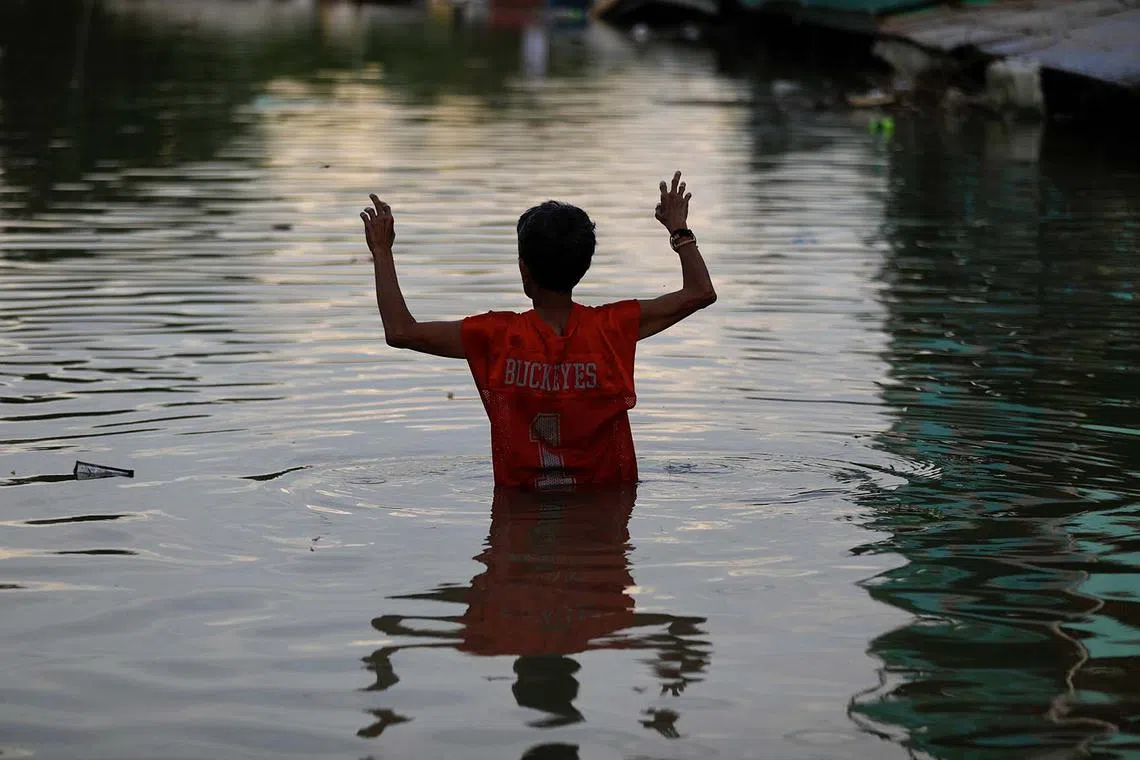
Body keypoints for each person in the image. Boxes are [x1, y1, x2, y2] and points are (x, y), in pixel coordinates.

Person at [361, 171, 715, 489]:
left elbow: (400, 330)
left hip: (519, 515)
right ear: (583, 266)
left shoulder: (494, 335)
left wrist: (381, 251)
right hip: (606, 507)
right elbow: (700, 293)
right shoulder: (612, 328)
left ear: (523, 270)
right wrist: (678, 230)